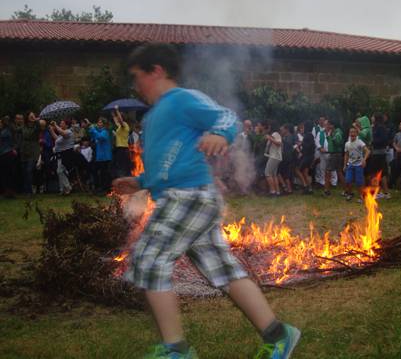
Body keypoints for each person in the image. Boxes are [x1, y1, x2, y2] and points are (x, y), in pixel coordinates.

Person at [113, 43, 300, 359]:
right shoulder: (154, 117)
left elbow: (226, 117)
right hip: (187, 197)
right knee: (223, 271)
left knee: (149, 258)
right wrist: (141, 182)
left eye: (137, 77)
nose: (136, 85)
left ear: (156, 71)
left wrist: (221, 135)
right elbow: (163, 167)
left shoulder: (181, 100)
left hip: (189, 196)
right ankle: (279, 335)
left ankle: (176, 350)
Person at [86, 117, 113, 192]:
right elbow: (93, 136)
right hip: (100, 156)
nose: (98, 124)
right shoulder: (99, 131)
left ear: (104, 124)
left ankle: (106, 189)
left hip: (105, 156)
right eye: (98, 122)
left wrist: (93, 128)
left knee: (104, 173)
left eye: (100, 122)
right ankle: (100, 187)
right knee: (99, 172)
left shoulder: (105, 131)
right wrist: (90, 126)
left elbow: (100, 137)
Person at [48, 120, 75, 195]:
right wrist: (51, 130)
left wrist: (55, 125)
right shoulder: (61, 133)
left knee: (60, 171)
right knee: (60, 171)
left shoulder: (69, 131)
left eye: (62, 123)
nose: (60, 124)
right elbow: (57, 139)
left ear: (66, 125)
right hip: (61, 155)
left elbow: (63, 133)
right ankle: (64, 189)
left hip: (67, 154)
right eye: (60, 123)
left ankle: (68, 187)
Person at [343, 127, 370, 201]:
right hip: (350, 164)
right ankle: (349, 194)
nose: (352, 134)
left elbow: (368, 151)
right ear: (349, 133)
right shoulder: (347, 144)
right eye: (351, 132)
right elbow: (346, 155)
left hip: (359, 165)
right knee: (348, 180)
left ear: (356, 133)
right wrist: (345, 165)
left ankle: (361, 196)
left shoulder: (359, 142)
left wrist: (364, 160)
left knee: (359, 182)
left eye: (354, 132)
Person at [20, 112, 43, 194]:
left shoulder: (36, 126)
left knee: (29, 170)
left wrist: (36, 120)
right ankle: (26, 190)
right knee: (24, 171)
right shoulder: (23, 127)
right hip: (24, 150)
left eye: (33, 116)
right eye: (30, 116)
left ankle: (29, 191)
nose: (32, 117)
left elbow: (41, 127)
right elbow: (19, 132)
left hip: (33, 151)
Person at [369, 113, 391, 199]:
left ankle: (382, 192)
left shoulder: (380, 128)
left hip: (379, 153)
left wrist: (372, 142)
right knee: (380, 173)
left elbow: (384, 140)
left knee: (376, 173)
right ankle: (383, 192)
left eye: (373, 116)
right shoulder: (376, 127)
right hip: (377, 153)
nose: (371, 118)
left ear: (376, 118)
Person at [323, 120, 344, 196]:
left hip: (335, 154)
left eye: (326, 125)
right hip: (335, 153)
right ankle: (346, 190)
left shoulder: (337, 132)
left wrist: (330, 135)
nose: (325, 127)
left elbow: (338, 142)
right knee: (339, 171)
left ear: (332, 125)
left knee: (328, 171)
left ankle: (326, 191)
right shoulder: (332, 132)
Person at [295, 121, 315, 194]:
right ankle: (310, 189)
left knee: (297, 169)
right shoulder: (311, 135)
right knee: (305, 172)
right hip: (310, 156)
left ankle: (305, 186)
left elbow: (307, 146)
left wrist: (301, 144)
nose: (302, 128)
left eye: (303, 127)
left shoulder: (307, 135)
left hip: (307, 156)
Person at [264, 120, 283, 197]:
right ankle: (277, 192)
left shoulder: (276, 134)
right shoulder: (274, 134)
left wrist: (269, 138)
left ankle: (272, 192)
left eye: (269, 126)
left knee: (267, 173)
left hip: (274, 157)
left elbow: (279, 143)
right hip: (275, 156)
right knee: (274, 174)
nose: (268, 127)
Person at [112, 106, 132, 178]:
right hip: (120, 149)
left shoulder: (125, 125)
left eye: (119, 117)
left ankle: (125, 180)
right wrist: (113, 114)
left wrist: (117, 110)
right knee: (120, 166)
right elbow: (116, 121)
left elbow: (120, 120)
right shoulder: (120, 127)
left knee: (123, 167)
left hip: (123, 149)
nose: (117, 119)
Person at [0, 116, 17, 198]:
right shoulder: (9, 130)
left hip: (5, 153)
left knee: (6, 173)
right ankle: (9, 191)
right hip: (8, 153)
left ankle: (8, 191)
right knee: (9, 173)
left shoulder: (4, 132)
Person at [278, 124, 296, 194]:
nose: (281, 131)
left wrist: (281, 139)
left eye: (282, 130)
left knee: (282, 174)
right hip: (286, 158)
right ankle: (288, 189)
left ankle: (287, 189)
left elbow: (288, 145)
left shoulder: (289, 137)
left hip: (287, 158)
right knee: (285, 175)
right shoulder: (287, 136)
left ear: (286, 130)